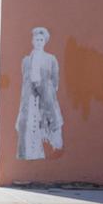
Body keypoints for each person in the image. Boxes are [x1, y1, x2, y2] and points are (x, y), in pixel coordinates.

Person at [15, 27, 63, 161]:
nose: (39, 42)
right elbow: (24, 79)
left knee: (46, 122)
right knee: (29, 123)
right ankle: (30, 153)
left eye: (41, 39)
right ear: (32, 41)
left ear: (45, 41)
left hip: (45, 97)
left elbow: (55, 81)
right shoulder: (26, 60)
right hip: (29, 97)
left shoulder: (51, 59)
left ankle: (51, 148)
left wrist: (47, 92)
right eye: (37, 39)